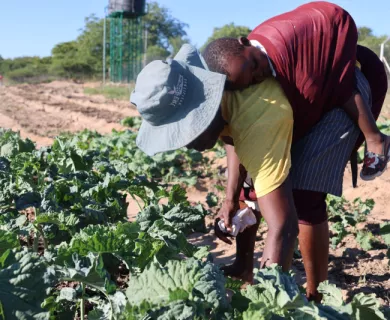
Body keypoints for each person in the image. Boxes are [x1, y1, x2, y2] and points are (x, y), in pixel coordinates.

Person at [130, 43, 384, 301]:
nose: (187, 144)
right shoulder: (216, 92)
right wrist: (230, 199)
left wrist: (264, 301)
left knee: (304, 197)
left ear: (202, 115)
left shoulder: (257, 120)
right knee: (248, 191)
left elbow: (283, 228)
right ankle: (243, 268)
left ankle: (317, 292)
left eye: (186, 132)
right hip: (286, 108)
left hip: (344, 90)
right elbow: (232, 138)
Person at [202, 1, 390, 181]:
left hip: (330, 25)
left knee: (337, 86)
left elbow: (308, 100)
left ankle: (375, 137)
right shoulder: (250, 67)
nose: (259, 74)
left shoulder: (283, 50)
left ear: (246, 42)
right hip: (307, 30)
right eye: (251, 81)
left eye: (254, 65)